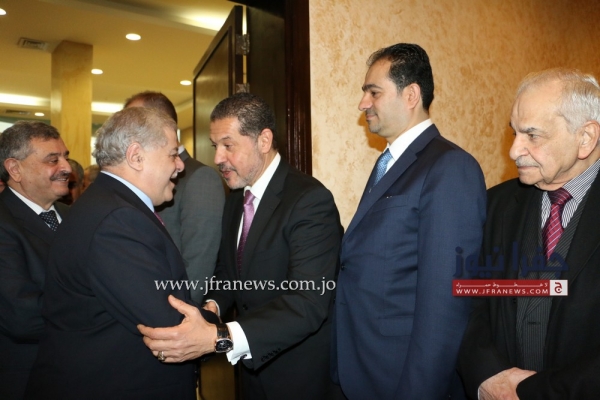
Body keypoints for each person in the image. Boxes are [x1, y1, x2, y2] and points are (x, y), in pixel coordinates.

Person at [138, 93, 344, 400]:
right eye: (215, 146)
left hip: (300, 377)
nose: (218, 158)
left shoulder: (309, 201)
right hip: (251, 372)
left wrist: (220, 336)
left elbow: (307, 302)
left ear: (264, 140)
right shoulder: (237, 198)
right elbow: (229, 273)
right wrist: (211, 307)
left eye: (228, 145)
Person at [25, 107, 217, 399]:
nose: (180, 165)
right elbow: (168, 324)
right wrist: (221, 325)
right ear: (136, 156)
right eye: (172, 154)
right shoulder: (117, 219)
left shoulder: (107, 205)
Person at [331, 43, 486, 399]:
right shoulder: (389, 162)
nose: (363, 103)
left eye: (374, 92)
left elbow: (445, 304)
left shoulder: (450, 167)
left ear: (411, 95)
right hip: (367, 366)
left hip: (403, 376)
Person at [458, 68, 600, 399]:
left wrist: (532, 392)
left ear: (585, 138)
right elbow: (468, 302)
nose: (514, 151)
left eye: (532, 135)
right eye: (515, 133)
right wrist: (487, 376)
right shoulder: (495, 203)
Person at [124, 91, 225, 302]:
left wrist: (176, 315)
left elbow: (197, 268)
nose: (124, 131)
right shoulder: (139, 175)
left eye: (132, 123)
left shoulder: (199, 178)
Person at [0, 121, 71, 399]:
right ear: (15, 169)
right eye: (53, 160)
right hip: (28, 380)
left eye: (65, 157)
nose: (66, 167)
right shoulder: (4, 222)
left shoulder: (75, 214)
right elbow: (23, 317)